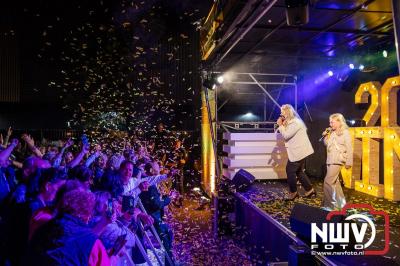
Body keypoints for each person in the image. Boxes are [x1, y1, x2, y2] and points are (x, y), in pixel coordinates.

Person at [277, 104, 316, 200]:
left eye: (282, 113)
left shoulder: (296, 123)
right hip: (299, 151)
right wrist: (283, 125)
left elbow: (286, 136)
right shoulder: (292, 122)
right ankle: (310, 190)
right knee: (299, 171)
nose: (281, 115)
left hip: (299, 152)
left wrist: (280, 125)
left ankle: (293, 193)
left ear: (287, 113)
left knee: (290, 170)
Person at [321, 113, 353, 210]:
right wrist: (325, 136)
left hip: (338, 160)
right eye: (330, 122)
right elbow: (328, 145)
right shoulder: (333, 133)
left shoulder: (345, 132)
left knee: (328, 182)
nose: (331, 124)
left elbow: (349, 148)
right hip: (330, 159)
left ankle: (329, 205)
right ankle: (341, 205)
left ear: (339, 122)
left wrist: (349, 162)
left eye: (332, 122)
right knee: (335, 183)